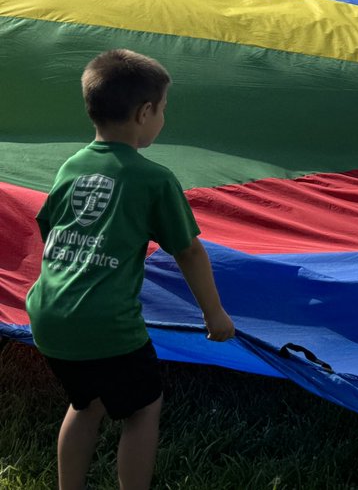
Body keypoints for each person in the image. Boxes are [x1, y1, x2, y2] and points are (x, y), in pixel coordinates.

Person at [24, 49, 235, 490]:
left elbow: (50, 226)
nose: (163, 119)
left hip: (48, 313)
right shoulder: (153, 179)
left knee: (87, 404)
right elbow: (190, 252)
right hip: (107, 324)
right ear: (145, 112)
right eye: (163, 110)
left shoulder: (72, 166)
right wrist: (214, 315)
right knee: (143, 408)